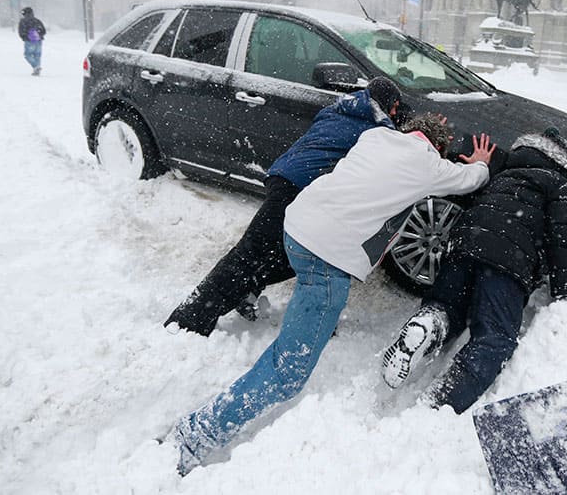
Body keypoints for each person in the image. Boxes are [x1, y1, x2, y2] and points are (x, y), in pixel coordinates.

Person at [170, 114, 496, 476]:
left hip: (297, 228)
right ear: (436, 146)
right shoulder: (427, 163)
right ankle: (193, 437)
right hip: (329, 255)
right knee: (288, 371)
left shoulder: (376, 137)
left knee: (305, 300)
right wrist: (480, 163)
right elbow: (469, 180)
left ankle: (282, 312)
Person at [164, 76, 405, 336]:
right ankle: (188, 319)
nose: (395, 113)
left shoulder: (337, 109)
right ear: (387, 105)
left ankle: (247, 290)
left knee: (294, 255)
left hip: (284, 176)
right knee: (249, 253)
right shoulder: (377, 130)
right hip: (298, 187)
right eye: (394, 107)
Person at [381, 127, 567, 415]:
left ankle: (429, 323)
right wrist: (566, 295)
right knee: (495, 338)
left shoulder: (504, 175)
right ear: (563, 162)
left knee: (449, 306)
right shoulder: (560, 186)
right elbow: (565, 245)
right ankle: (438, 406)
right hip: (508, 257)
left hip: (463, 244)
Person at [17, 7, 46, 76]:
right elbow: (43, 30)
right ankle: (37, 69)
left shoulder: (23, 21)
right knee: (37, 55)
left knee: (27, 55)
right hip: (38, 41)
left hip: (29, 41)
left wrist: (24, 37)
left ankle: (36, 67)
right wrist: (39, 35)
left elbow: (21, 31)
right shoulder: (37, 21)